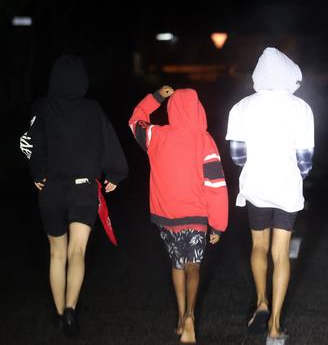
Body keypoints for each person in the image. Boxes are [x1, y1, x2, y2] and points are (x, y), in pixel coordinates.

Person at [19, 55, 128, 336]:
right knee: (77, 251)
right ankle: (70, 309)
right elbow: (109, 141)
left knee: (57, 253)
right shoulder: (92, 109)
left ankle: (58, 314)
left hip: (51, 190)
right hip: (83, 188)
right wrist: (115, 173)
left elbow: (28, 143)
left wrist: (37, 173)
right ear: (82, 81)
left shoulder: (42, 107)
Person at [226, 47, 314, 340]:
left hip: (256, 187)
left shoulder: (241, 107)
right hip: (287, 188)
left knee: (259, 247)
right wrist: (292, 174)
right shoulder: (301, 108)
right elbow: (305, 161)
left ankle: (261, 301)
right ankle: (275, 322)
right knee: (281, 252)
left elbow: (237, 157)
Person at [129, 86, 228, 344]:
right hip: (196, 214)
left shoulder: (156, 136)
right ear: (198, 109)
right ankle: (189, 316)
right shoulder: (204, 139)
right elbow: (216, 185)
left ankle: (179, 316)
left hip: (167, 215)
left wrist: (157, 97)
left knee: (177, 264)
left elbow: (135, 121)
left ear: (172, 108)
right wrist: (218, 225)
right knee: (194, 264)